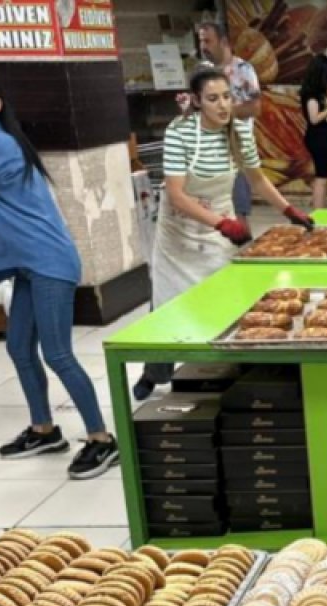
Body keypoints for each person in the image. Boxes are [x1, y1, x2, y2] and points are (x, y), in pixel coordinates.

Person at [0, 64, 118, 479]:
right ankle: (44, 430)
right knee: (18, 348)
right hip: (30, 263)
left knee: (58, 354)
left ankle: (102, 439)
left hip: (48, 262)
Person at [133, 68, 313, 401]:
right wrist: (222, 224)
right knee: (168, 302)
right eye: (213, 99)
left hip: (219, 221)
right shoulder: (181, 132)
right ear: (197, 101)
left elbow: (257, 179)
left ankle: (233, 368)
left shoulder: (240, 130)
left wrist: (289, 210)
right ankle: (155, 372)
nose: (223, 105)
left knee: (227, 297)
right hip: (180, 231)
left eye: (227, 97)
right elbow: (177, 195)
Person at [197, 22, 260, 224]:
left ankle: (243, 242)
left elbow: (254, 108)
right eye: (201, 41)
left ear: (223, 42)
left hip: (235, 150)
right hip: (207, 151)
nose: (203, 47)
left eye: (208, 41)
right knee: (213, 212)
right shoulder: (202, 72)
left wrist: (223, 112)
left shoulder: (243, 70)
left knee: (238, 210)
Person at [300, 55, 327, 210]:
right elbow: (314, 119)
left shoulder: (320, 94)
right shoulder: (311, 96)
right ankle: (319, 212)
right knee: (322, 177)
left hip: (322, 138)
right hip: (318, 139)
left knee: (324, 176)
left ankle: (318, 205)